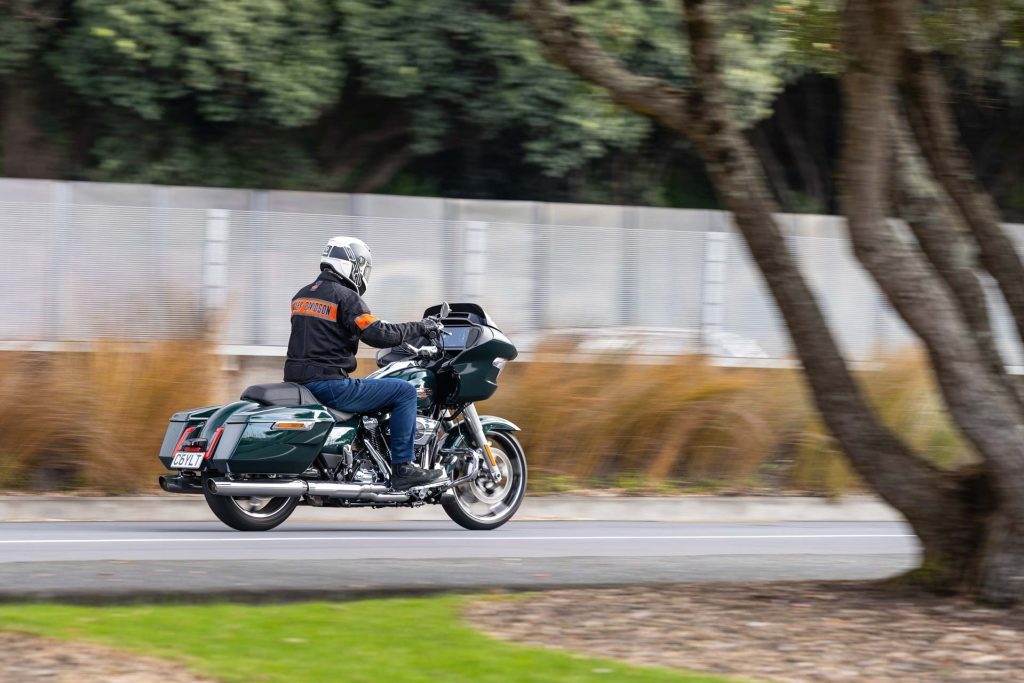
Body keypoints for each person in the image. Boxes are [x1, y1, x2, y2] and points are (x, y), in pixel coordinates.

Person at [285, 236, 445, 490]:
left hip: (298, 383)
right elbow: (378, 334)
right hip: (329, 384)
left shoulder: (302, 295)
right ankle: (403, 467)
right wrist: (421, 327)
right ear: (353, 265)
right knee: (404, 391)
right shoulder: (345, 297)